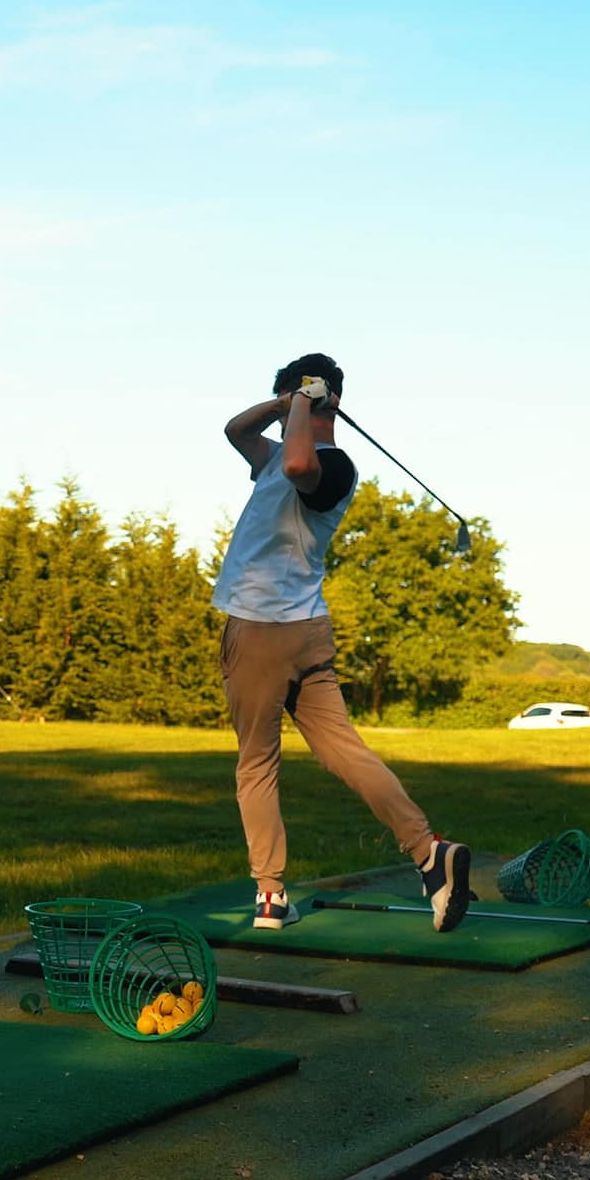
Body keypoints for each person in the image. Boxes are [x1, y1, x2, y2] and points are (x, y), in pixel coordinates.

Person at [213, 353, 471, 932]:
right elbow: (236, 431)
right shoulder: (276, 456)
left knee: (256, 764)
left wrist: (302, 405)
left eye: (290, 406)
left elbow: (302, 459)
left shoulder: (331, 465)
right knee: (343, 751)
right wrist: (292, 401)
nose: (283, 421)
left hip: (261, 628)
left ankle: (271, 895)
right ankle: (429, 853)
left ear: (318, 403)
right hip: (305, 631)